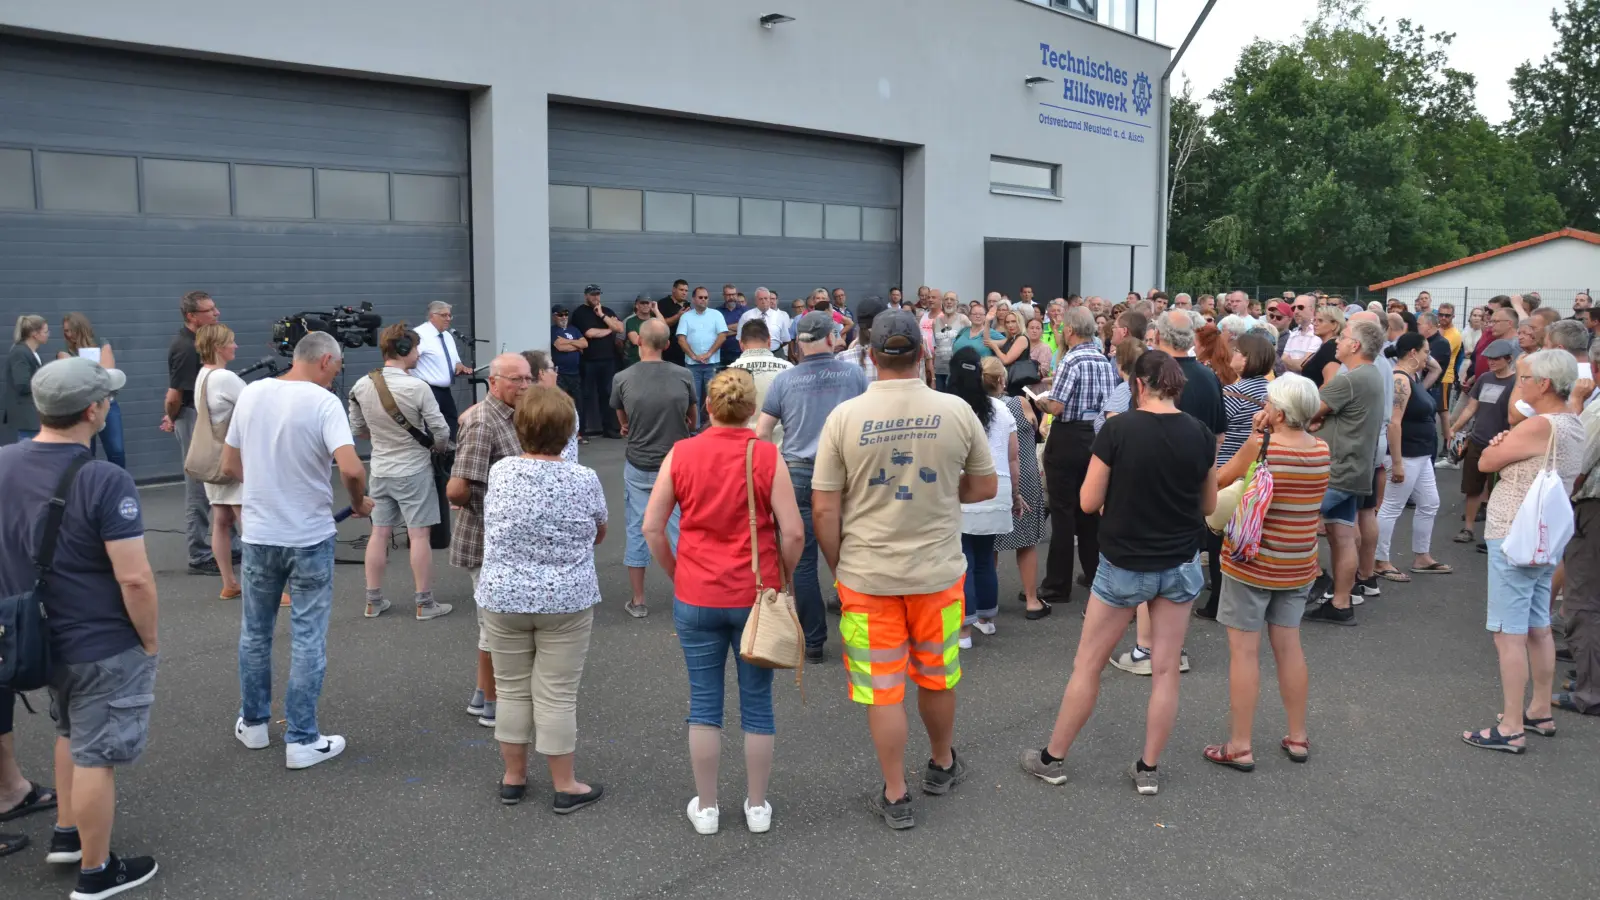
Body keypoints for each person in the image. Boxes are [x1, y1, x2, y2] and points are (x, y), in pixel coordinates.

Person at [812, 309, 996, 830]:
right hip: (937, 572)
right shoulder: (957, 410)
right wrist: (942, 491)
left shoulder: (845, 418)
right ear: (922, 354)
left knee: (882, 688)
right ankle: (941, 763)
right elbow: (984, 487)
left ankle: (896, 793)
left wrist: (838, 562)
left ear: (870, 356)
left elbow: (824, 507)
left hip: (868, 576)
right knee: (937, 677)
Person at [0, 357, 162, 896]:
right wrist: (149, 640)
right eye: (107, 398)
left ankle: (68, 831)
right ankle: (96, 874)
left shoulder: (4, 462)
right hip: (100, 640)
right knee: (99, 754)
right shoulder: (102, 477)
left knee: (69, 729)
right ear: (92, 410)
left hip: (36, 637)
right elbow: (135, 578)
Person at [1021, 351, 1217, 796]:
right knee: (1165, 670)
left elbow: (1088, 502)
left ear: (1139, 386)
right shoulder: (1200, 433)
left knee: (1088, 664)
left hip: (1124, 561)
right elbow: (1207, 505)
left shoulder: (1118, 429)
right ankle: (1148, 769)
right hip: (1180, 562)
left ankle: (1053, 758)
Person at [642, 369, 803, 835]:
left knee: (704, 703)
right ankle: (756, 806)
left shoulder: (682, 453)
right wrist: (783, 577)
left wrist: (678, 574)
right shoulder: (766, 454)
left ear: (708, 408)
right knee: (757, 704)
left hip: (697, 594)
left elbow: (653, 527)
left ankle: (708, 808)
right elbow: (792, 531)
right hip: (755, 595)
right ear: (752, 410)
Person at [222, 331, 372, 769]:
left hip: (260, 533)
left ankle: (253, 724)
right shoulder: (324, 403)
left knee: (255, 632)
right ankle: (303, 739)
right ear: (325, 360)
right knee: (307, 635)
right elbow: (351, 466)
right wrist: (359, 501)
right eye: (339, 366)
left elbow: (230, 465)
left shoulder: (250, 394)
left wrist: (268, 486)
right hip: (308, 535)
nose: (338, 373)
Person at [475, 384, 606, 811]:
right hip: (566, 597)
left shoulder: (503, 471)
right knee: (557, 694)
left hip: (503, 594)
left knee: (511, 690)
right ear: (569, 429)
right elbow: (598, 530)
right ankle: (564, 784)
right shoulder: (584, 478)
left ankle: (513, 777)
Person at [1462, 350, 1587, 753]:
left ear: (1544, 384)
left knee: (1507, 633)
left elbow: (1485, 461)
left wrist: (1501, 443)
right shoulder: (1572, 423)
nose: (1521, 383)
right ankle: (1537, 710)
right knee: (1537, 625)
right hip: (1543, 535)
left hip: (1513, 532)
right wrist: (1505, 443)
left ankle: (1511, 725)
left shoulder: (1538, 425)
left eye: (1526, 377)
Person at [1202, 374, 1329, 771]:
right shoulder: (1321, 449)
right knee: (1289, 647)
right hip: (1298, 562)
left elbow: (1219, 482)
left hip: (1252, 563)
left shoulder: (1262, 447)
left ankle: (1240, 744)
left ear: (1277, 411)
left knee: (1244, 653)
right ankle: (1297, 735)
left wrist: (1255, 437)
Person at [755, 311, 870, 663]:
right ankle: (863, 631)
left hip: (799, 472)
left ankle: (814, 641)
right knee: (853, 553)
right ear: (832, 336)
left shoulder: (785, 380)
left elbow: (761, 433)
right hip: (845, 473)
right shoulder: (852, 375)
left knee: (802, 562)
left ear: (798, 342)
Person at [449, 353, 536, 729]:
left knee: (492, 623)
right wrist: (486, 508)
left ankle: (482, 695)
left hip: (502, 540)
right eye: (516, 380)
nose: (524, 386)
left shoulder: (509, 416)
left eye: (528, 378)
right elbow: (456, 489)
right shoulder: (484, 422)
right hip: (486, 539)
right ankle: (494, 704)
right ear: (494, 383)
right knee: (495, 626)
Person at [348, 323, 452, 621]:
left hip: (380, 469)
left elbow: (357, 429)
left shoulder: (362, 385)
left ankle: (373, 600)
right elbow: (441, 431)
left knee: (378, 533)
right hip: (414, 469)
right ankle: (424, 603)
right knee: (419, 536)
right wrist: (438, 448)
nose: (418, 353)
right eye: (416, 347)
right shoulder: (418, 387)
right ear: (405, 350)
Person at [1303, 319, 1388, 626]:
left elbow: (1307, 411)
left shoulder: (1349, 379)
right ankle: (1340, 604)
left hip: (1335, 471)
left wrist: (1312, 420)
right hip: (1355, 469)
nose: (1337, 341)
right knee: (1342, 536)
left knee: (1295, 521)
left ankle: (1315, 581)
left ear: (1355, 346)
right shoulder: (1372, 375)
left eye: (1343, 337)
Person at [612, 318, 694, 617]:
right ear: (668, 345)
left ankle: (638, 600)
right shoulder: (684, 375)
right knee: (680, 528)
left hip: (639, 462)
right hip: (676, 462)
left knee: (637, 528)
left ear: (638, 342)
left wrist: (626, 426)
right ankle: (686, 594)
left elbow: (621, 417)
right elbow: (692, 419)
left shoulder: (622, 377)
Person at [1191, 334, 1276, 622]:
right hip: (1255, 470)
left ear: (1249, 358)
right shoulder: (1269, 390)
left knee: (1217, 533)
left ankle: (1218, 598)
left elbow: (1212, 425)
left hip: (1227, 467)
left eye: (1238, 352)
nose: (1232, 356)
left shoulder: (1235, 395)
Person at [1036, 307, 1118, 606]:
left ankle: (1057, 583)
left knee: (1062, 510)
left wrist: (1041, 402)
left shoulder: (1071, 358)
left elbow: (1057, 407)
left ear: (1070, 330)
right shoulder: (1102, 359)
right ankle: (1094, 573)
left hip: (1068, 435)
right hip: (1096, 434)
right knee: (1089, 508)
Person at [947, 352, 1018, 646]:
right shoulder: (1001, 409)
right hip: (998, 486)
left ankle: (964, 628)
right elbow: (1013, 456)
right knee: (986, 557)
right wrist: (1015, 492)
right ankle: (987, 619)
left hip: (966, 487)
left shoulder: (953, 409)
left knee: (964, 557)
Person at [1372, 333, 1450, 582]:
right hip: (1405, 453)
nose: (1429, 357)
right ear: (1413, 353)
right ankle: (1379, 560)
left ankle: (1422, 556)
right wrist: (1396, 463)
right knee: (1391, 506)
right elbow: (1394, 424)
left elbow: (1436, 369)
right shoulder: (1400, 380)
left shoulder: (1412, 377)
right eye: (1426, 351)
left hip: (1421, 453)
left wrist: (1426, 362)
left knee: (1430, 503)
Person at [161, 292, 227, 574]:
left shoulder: (200, 344)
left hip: (199, 416)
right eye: (209, 310)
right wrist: (173, 416)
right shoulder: (186, 349)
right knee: (198, 482)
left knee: (220, 478)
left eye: (214, 308)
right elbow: (175, 394)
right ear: (191, 316)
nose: (217, 313)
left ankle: (228, 545)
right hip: (191, 417)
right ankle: (198, 554)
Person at [1556, 339, 1600, 716]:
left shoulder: (1597, 410)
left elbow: (1577, 459)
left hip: (1593, 507)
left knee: (1583, 599)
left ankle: (1590, 690)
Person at [194, 325, 248, 600]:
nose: (235, 346)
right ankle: (262, 586)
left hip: (211, 460)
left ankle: (229, 583)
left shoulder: (202, 376)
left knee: (221, 520)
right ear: (218, 347)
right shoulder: (225, 377)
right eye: (231, 341)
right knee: (247, 523)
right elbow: (254, 406)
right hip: (233, 457)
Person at [1449, 340, 1518, 545]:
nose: (1491, 362)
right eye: (1489, 358)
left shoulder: (1516, 383)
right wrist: (1455, 428)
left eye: (1496, 359)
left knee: (1498, 491)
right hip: (1477, 440)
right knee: (1472, 488)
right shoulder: (1484, 379)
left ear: (1509, 359)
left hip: (1501, 445)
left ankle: (1494, 536)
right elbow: (1471, 407)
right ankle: (1468, 528)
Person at [58, 313, 125, 469]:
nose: (69, 335)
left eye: (71, 330)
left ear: (81, 329)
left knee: (116, 449)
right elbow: (73, 377)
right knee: (86, 451)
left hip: (106, 404)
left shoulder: (102, 344)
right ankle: (88, 487)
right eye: (66, 331)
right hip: (82, 407)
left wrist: (86, 374)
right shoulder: (63, 351)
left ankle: (118, 485)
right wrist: (95, 372)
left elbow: (108, 372)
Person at [411, 301, 472, 440]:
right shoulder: (420, 335)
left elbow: (455, 361)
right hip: (427, 389)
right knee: (432, 427)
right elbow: (409, 359)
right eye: (444, 315)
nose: (448, 319)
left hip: (444, 391)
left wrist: (460, 366)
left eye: (450, 315)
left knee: (451, 423)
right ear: (432, 316)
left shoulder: (447, 336)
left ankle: (450, 457)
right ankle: (434, 457)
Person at [569, 286, 624, 439]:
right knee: (585, 396)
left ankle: (610, 429)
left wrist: (602, 315)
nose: (595, 298)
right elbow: (589, 333)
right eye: (592, 295)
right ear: (586, 295)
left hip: (609, 360)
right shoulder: (580, 313)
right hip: (588, 361)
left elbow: (619, 328)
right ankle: (583, 431)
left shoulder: (606, 311)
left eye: (598, 294)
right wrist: (609, 329)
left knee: (607, 394)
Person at [726, 319, 792, 441]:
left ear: (741, 344)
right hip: (781, 446)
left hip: (742, 446)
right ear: (769, 342)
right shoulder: (789, 370)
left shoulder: (728, 374)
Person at [677, 286, 730, 430]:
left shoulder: (716, 315)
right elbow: (681, 339)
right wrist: (693, 356)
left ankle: (713, 429)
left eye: (706, 297)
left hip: (711, 363)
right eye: (700, 297)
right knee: (694, 399)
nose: (703, 300)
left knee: (714, 397)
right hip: (692, 364)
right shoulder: (686, 316)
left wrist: (708, 354)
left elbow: (722, 335)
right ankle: (695, 428)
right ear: (693, 299)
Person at [6, 315, 48, 441]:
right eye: (45, 331)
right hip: (27, 417)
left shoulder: (32, 353)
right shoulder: (20, 352)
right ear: (35, 334)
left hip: (34, 416)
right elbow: (22, 384)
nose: (48, 334)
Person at [550, 305, 586, 421]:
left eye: (566, 314)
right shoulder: (552, 330)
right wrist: (577, 346)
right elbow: (560, 347)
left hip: (575, 373)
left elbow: (585, 344)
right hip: (560, 374)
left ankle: (580, 433)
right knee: (561, 403)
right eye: (560, 315)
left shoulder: (574, 329)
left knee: (578, 403)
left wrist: (566, 341)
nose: (564, 317)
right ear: (554, 316)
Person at [932, 293, 970, 391]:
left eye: (952, 300)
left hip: (956, 369)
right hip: (939, 369)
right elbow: (935, 345)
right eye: (946, 299)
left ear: (957, 303)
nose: (949, 302)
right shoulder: (936, 321)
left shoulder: (963, 319)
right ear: (942, 302)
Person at [1301, 305, 1346, 388]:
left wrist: (1316, 400)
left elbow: (1329, 384)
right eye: (1314, 320)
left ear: (1334, 325)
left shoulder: (1332, 347)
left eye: (1320, 321)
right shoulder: (1327, 345)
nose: (1315, 324)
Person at [986, 310, 1030, 375]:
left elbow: (1006, 360)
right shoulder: (1010, 339)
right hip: (1008, 376)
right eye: (1007, 322)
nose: (1010, 325)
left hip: (1017, 378)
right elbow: (987, 342)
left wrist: (995, 348)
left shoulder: (1022, 339)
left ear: (1019, 322)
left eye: (1013, 321)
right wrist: (987, 321)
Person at [717, 284, 748, 367]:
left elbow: (747, 330)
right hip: (722, 355)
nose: (731, 297)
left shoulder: (745, 311)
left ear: (737, 295)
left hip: (741, 354)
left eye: (733, 294)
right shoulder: (717, 312)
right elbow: (717, 332)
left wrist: (724, 328)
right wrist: (739, 328)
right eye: (728, 295)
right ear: (724, 296)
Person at [1025, 316, 1054, 384]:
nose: (1034, 331)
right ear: (1026, 330)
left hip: (1037, 384)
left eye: (1038, 328)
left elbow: (1043, 371)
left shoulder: (1045, 348)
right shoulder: (1022, 345)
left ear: (1042, 331)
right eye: (1031, 328)